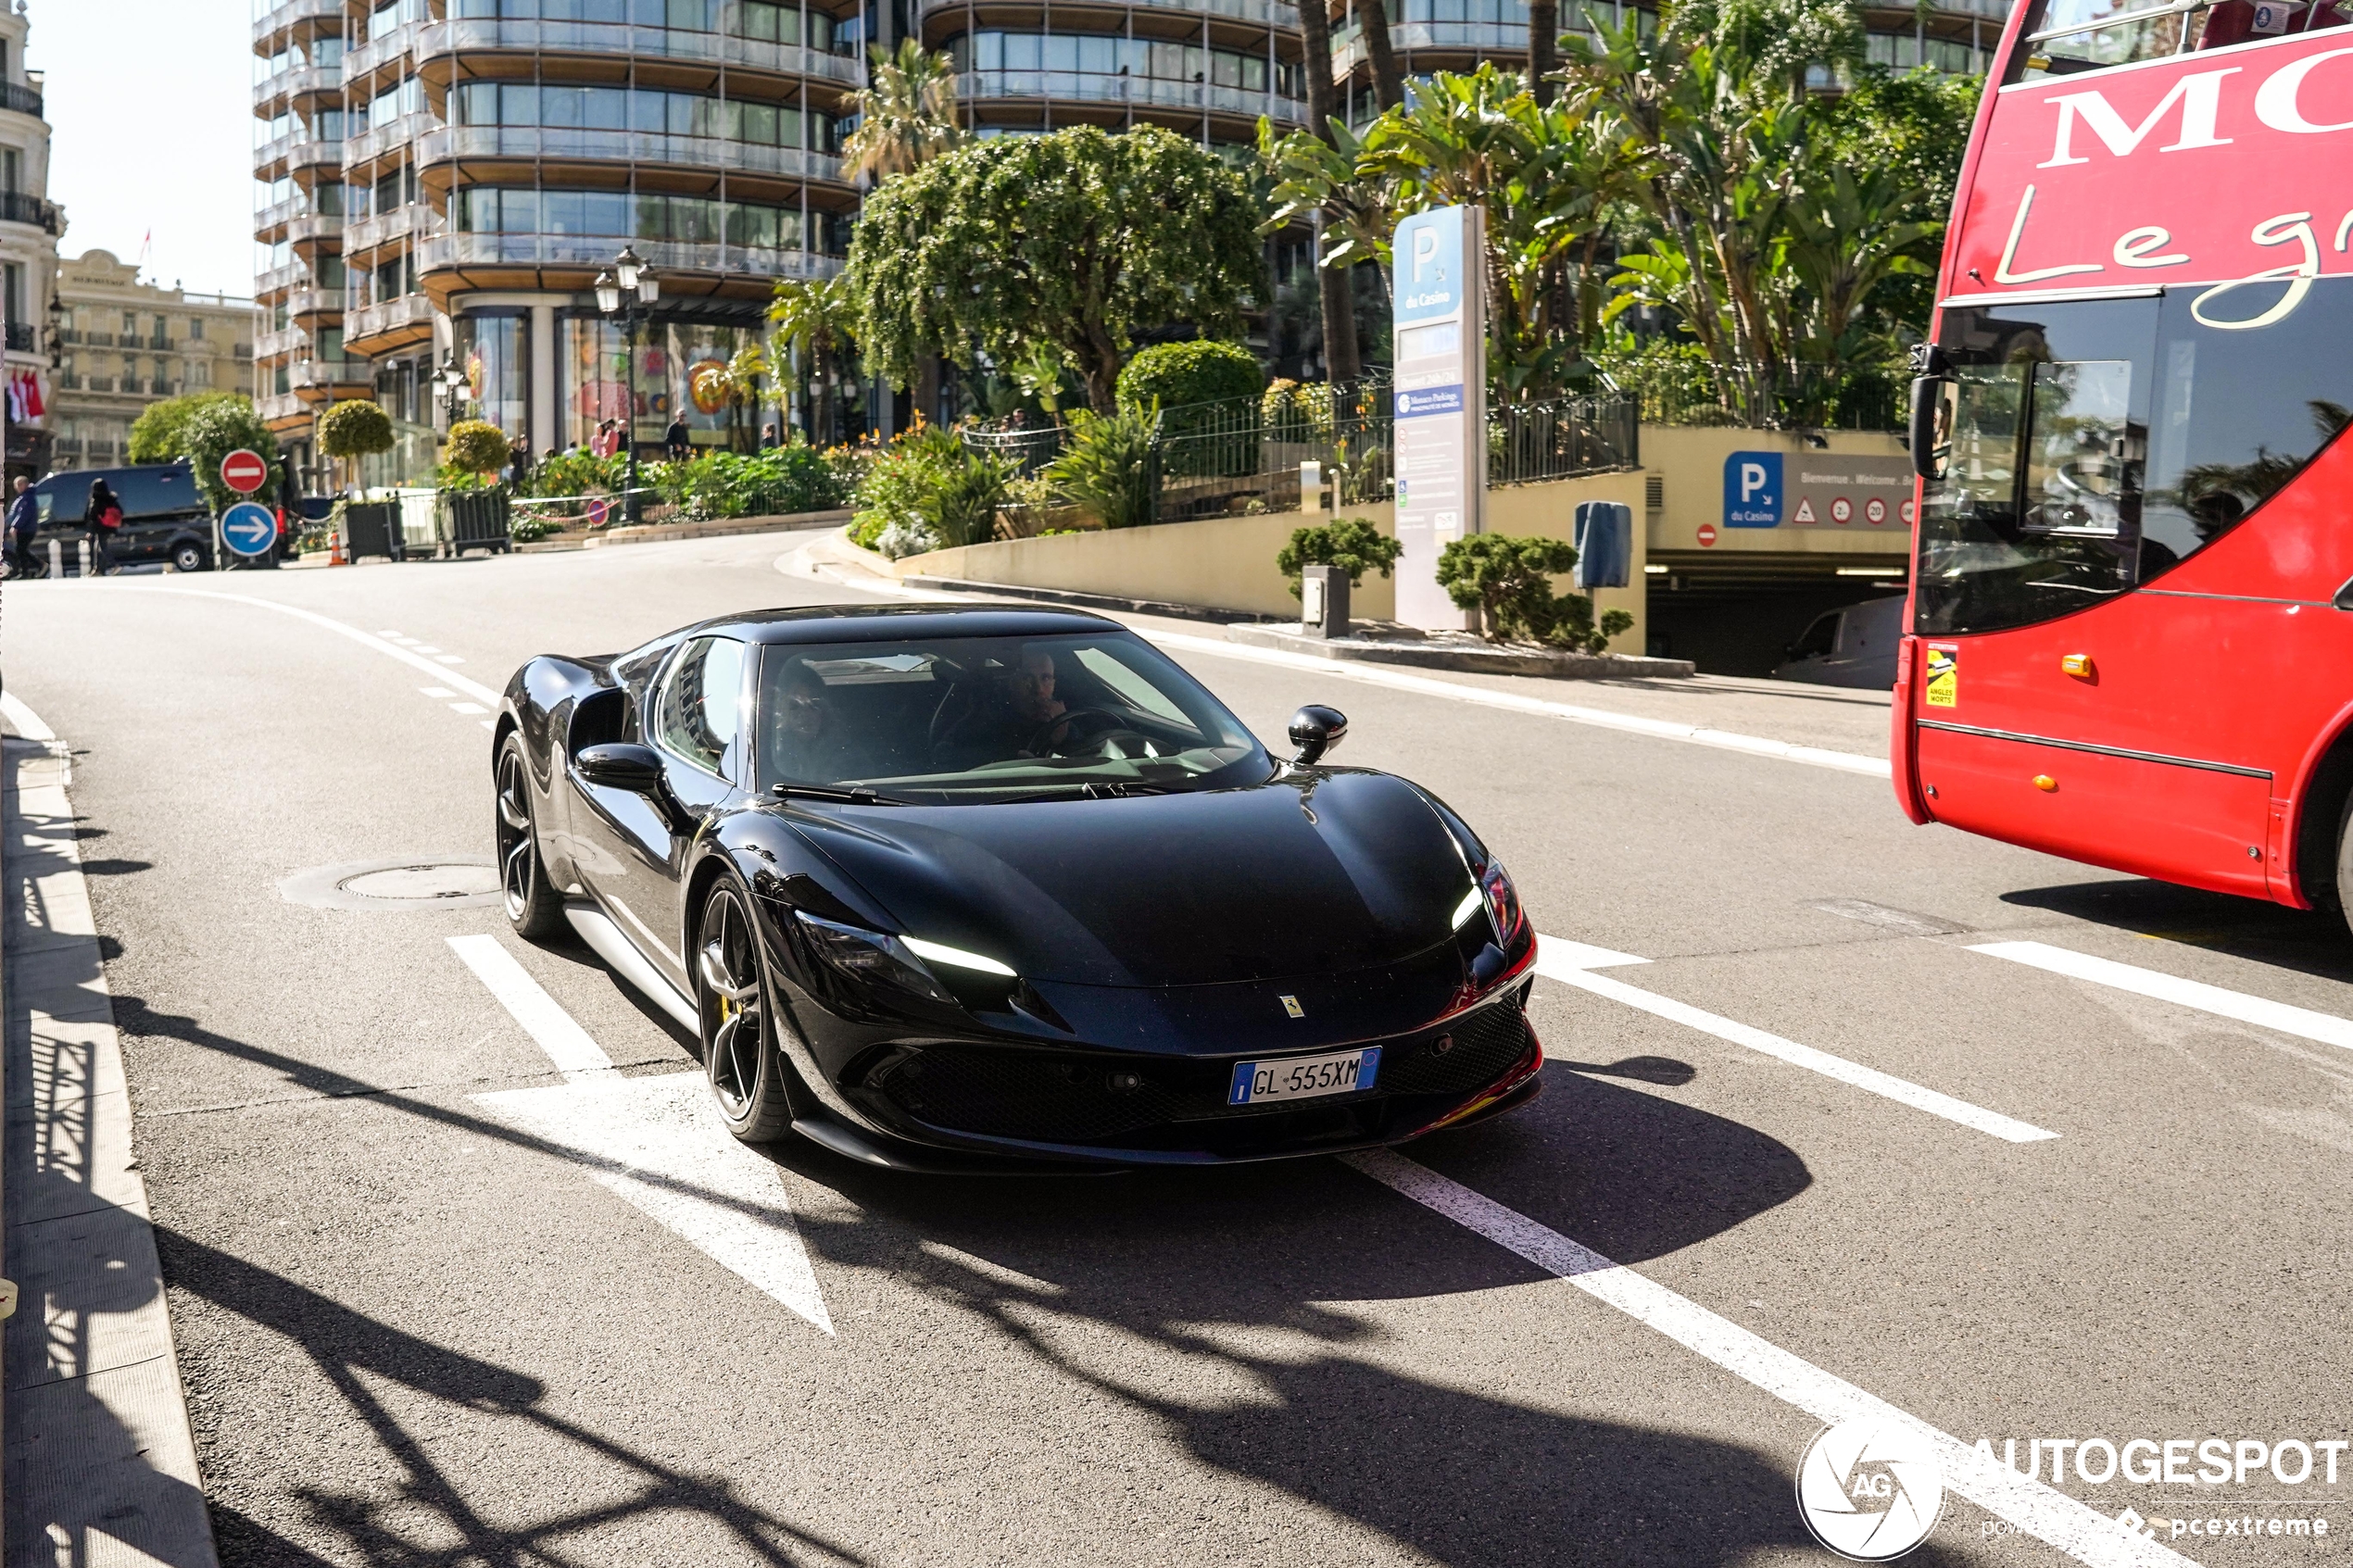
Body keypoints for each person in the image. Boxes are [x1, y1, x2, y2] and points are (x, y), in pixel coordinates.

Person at [87, 477, 123, 576]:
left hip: (101, 528)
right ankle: (98, 570)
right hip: (110, 527)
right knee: (100, 548)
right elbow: (120, 511)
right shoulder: (111, 499)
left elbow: (93, 516)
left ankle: (114, 565)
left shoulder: (96, 499)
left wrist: (90, 531)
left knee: (102, 548)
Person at [6, 477, 36, 577]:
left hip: (26, 529)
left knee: (20, 550)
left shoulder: (27, 498)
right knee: (21, 550)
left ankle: (28, 571)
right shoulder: (23, 497)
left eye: (19, 484)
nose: (17, 487)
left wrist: (15, 526)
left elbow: (23, 514)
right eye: (16, 485)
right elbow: (13, 514)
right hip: (23, 528)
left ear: (25, 484)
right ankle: (28, 570)